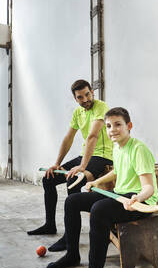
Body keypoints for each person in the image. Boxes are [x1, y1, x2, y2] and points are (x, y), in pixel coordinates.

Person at [46, 107, 158, 268]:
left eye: (118, 124)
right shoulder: (118, 147)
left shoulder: (139, 149)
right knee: (72, 201)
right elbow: (117, 171)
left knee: (99, 210)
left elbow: (149, 188)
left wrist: (137, 198)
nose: (112, 129)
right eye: (108, 126)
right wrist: (97, 181)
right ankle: (72, 254)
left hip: (140, 202)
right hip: (120, 194)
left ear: (129, 126)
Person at [27, 79, 113, 253]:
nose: (85, 99)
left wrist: (82, 167)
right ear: (75, 99)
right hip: (85, 155)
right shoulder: (77, 113)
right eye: (80, 97)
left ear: (92, 92)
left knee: (72, 180)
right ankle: (50, 224)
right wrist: (57, 163)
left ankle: (69, 238)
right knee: (49, 179)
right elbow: (68, 138)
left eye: (87, 94)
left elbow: (93, 136)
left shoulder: (101, 107)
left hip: (102, 156)